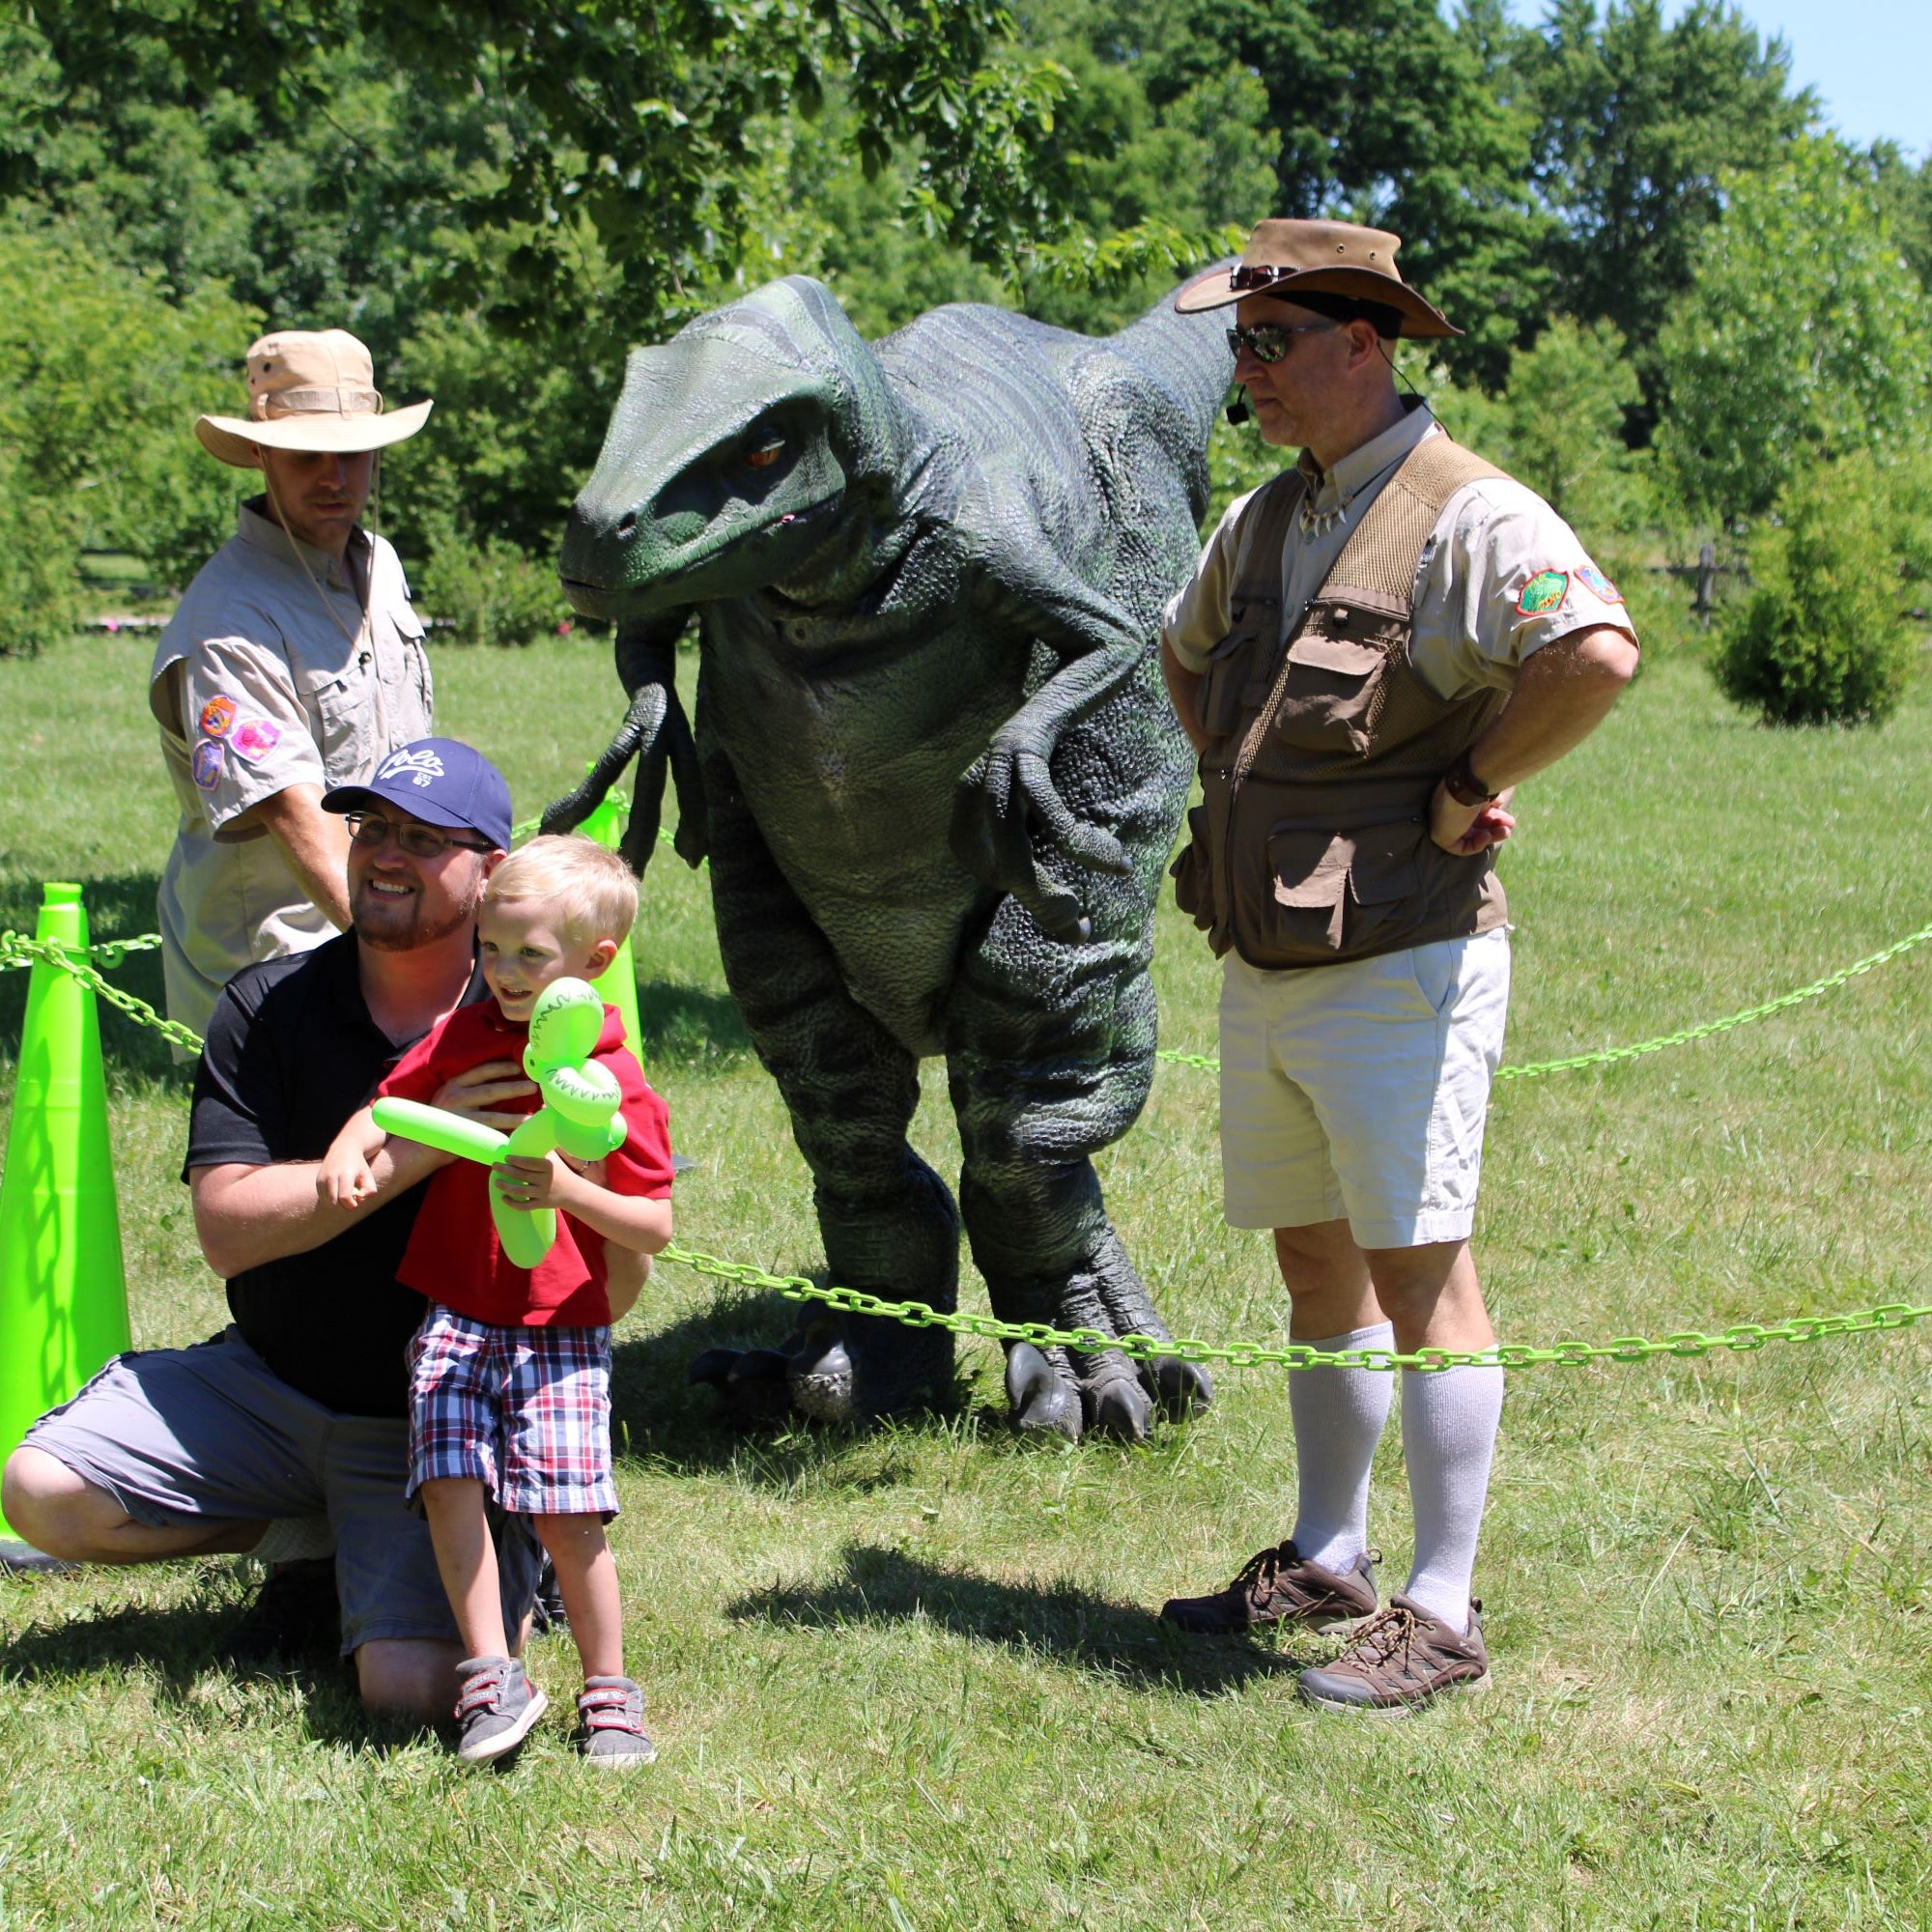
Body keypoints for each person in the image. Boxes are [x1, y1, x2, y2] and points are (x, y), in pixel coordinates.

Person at [1154, 220, 1640, 1711]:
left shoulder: (1465, 512)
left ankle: (1441, 1606)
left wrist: (1470, 776)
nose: (1248, 373)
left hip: (1408, 957)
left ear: (1364, 342)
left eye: (1272, 341)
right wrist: (1241, 797)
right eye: (1238, 344)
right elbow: (1182, 654)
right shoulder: (1262, 516)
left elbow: (1596, 650)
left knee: (1425, 1274)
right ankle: (1331, 1552)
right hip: (1274, 959)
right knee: (1315, 1257)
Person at [2, 738, 545, 1721]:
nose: (384, 853)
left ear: (491, 869)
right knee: (40, 1489)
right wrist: (420, 1145)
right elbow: (227, 1232)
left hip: (433, 1426)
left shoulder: (533, 1027)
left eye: (422, 837)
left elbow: (615, 1270)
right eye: (370, 825)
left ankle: (495, 1542)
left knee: (413, 1693)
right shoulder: (268, 1001)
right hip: (270, 1382)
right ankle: (310, 1533)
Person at [320, 836, 673, 1768]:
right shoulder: (467, 1033)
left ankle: (610, 1692)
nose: (501, 974)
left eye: (529, 955)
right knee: (446, 1479)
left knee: (568, 1513)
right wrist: (348, 1149)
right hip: (455, 1309)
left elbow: (654, 1226)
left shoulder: (612, 1082)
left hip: (559, 1322)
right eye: (490, 949)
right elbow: (395, 1097)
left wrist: (566, 1190)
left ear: (595, 963)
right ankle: (490, 1671)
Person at [150, 327, 436, 1042]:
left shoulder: (383, 566)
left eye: (351, 454)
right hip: (276, 970)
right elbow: (293, 814)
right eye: (306, 455)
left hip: (383, 931)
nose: (333, 477)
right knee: (312, 1159)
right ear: (260, 455)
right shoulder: (228, 617)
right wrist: (408, 956)